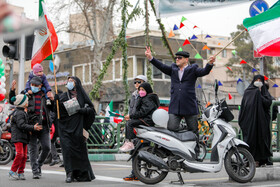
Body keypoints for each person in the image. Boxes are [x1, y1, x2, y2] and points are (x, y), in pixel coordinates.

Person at [145, 46, 215, 159]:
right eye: (176, 58)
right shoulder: (173, 69)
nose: (177, 59)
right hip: (175, 107)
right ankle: (174, 152)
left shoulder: (193, 69)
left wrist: (210, 63)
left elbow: (204, 71)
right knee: (171, 129)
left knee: (194, 131)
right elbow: (161, 66)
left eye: (179, 58)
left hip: (189, 107)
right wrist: (151, 58)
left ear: (186, 59)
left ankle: (196, 154)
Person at [9, 77, 54, 179]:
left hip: (44, 125)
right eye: (32, 85)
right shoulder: (26, 94)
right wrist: (12, 90)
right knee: (33, 149)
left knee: (47, 147)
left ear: (41, 86)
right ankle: (35, 171)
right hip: (31, 126)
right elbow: (14, 101)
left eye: (36, 85)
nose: (33, 87)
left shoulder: (45, 95)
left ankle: (38, 164)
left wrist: (52, 100)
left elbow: (53, 109)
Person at [54, 76, 96, 183]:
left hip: (78, 129)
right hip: (65, 129)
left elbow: (91, 110)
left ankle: (81, 173)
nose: (69, 83)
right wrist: (56, 102)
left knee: (79, 152)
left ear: (77, 83)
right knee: (67, 151)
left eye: (71, 81)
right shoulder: (63, 96)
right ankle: (69, 174)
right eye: (68, 82)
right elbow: (57, 113)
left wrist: (83, 110)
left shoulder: (82, 96)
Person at [239, 75, 273, 167]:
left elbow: (268, 102)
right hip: (250, 122)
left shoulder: (264, 92)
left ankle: (261, 159)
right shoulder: (248, 92)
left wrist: (259, 95)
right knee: (250, 139)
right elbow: (244, 106)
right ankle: (249, 159)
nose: (258, 81)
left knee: (262, 139)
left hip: (262, 122)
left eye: (260, 80)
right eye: (256, 80)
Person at [9, 94, 42, 180]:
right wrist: (33, 127)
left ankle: (21, 172)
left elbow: (24, 124)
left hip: (23, 137)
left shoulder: (22, 112)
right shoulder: (19, 113)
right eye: (26, 101)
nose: (28, 102)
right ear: (22, 103)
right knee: (20, 154)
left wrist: (30, 129)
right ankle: (12, 171)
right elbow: (21, 125)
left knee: (24, 156)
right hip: (18, 137)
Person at [120, 82, 160, 152]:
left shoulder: (148, 99)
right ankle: (128, 142)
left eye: (143, 90)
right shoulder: (143, 98)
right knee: (128, 123)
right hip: (144, 119)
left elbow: (143, 112)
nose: (141, 91)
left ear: (147, 90)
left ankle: (130, 142)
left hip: (147, 120)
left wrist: (131, 116)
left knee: (130, 123)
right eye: (140, 90)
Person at [122, 75, 147, 181]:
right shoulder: (133, 96)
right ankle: (135, 173)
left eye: (139, 82)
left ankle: (147, 173)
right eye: (135, 82)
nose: (137, 84)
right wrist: (129, 117)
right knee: (133, 149)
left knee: (145, 150)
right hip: (133, 126)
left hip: (143, 126)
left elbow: (145, 111)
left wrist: (132, 117)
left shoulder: (147, 95)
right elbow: (131, 110)